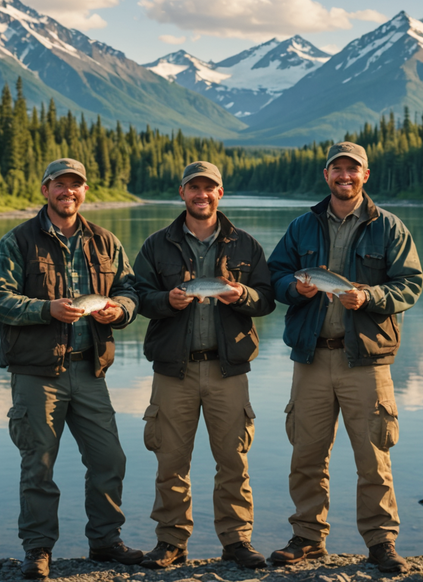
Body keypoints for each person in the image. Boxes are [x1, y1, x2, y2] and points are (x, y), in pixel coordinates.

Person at [0, 158, 144, 579]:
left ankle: (105, 542)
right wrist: (45, 310)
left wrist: (120, 311)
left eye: (76, 185)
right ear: (45, 190)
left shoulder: (105, 241)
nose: (68, 192)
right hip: (37, 374)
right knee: (38, 463)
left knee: (110, 459)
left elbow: (129, 290)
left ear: (85, 191)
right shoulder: (18, 241)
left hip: (90, 370)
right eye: (60, 185)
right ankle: (37, 549)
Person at [266, 142, 423, 573]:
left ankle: (380, 541)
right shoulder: (303, 225)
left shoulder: (388, 227)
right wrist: (292, 289)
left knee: (374, 456)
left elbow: (410, 284)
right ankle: (307, 537)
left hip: (367, 363)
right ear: (326, 175)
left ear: (365, 176)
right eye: (337, 169)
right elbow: (274, 276)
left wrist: (369, 296)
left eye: (353, 170)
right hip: (312, 358)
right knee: (307, 454)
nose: (345, 176)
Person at [132, 161, 276, 570]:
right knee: (171, 459)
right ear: (182, 193)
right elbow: (137, 295)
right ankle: (171, 541)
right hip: (172, 370)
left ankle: (236, 540)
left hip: (227, 369)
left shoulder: (245, 244)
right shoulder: (157, 244)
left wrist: (242, 294)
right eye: (194, 188)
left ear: (220, 193)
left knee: (233, 458)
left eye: (209, 188)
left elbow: (267, 299)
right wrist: (166, 301)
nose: (201, 195)